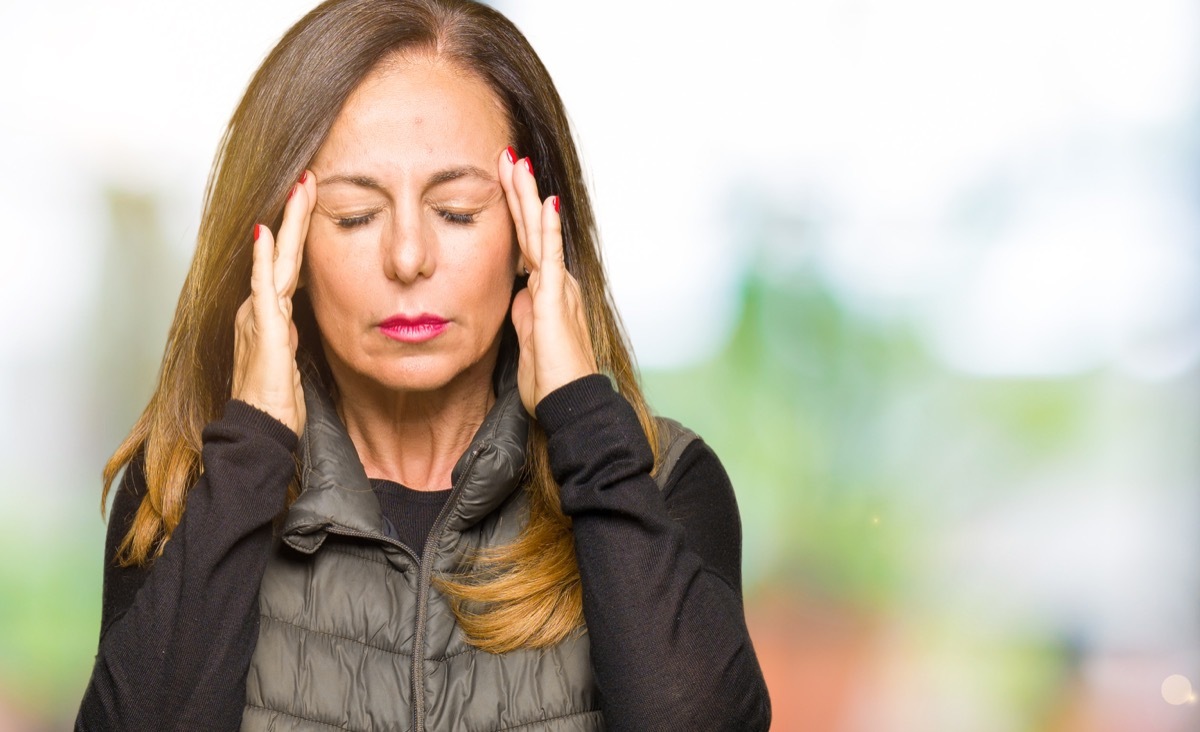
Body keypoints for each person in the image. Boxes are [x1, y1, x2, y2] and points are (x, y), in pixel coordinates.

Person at [75, 0, 771, 729]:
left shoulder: (661, 482)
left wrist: (585, 419)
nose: (408, 257)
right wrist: (248, 452)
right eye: (354, 216)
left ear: (533, 234)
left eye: (459, 211)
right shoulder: (185, 492)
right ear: (287, 247)